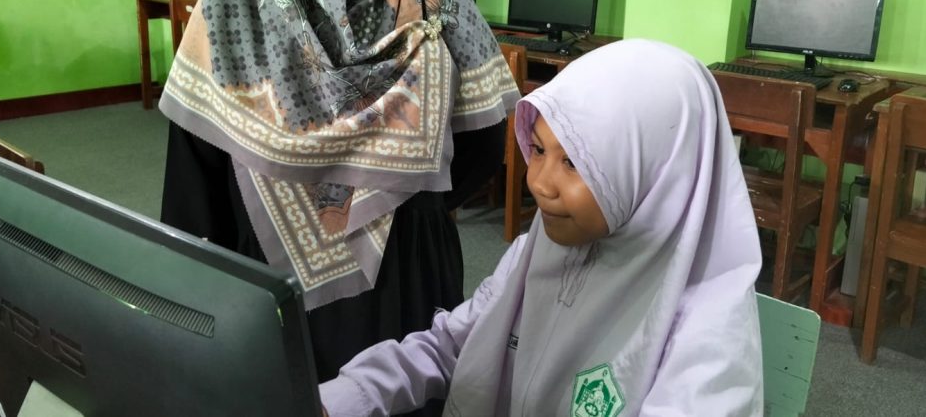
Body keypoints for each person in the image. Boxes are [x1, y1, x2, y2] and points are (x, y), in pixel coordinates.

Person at [157, 0, 519, 388]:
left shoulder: (434, 9)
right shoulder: (227, 19)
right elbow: (193, 200)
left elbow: (481, 144)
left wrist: (397, 204)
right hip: (270, 299)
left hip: (405, 291)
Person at [320, 39, 765, 416]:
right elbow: (453, 344)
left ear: (655, 172)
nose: (538, 183)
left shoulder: (709, 340)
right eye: (537, 149)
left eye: (573, 162)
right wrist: (338, 399)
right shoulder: (536, 250)